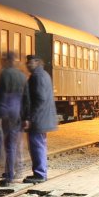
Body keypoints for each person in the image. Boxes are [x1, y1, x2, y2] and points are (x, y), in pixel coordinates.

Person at [0, 51, 30, 186]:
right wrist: (26, 117)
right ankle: (18, 170)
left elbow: (1, 95)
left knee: (9, 145)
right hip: (18, 112)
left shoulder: (4, 74)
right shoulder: (22, 75)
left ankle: (9, 175)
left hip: (7, 111)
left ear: (7, 61)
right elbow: (26, 98)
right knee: (17, 143)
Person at [25, 54, 58, 183]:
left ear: (38, 62)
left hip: (38, 119)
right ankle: (40, 172)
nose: (27, 65)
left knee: (37, 146)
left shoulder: (37, 77)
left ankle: (39, 174)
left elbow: (39, 99)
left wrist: (29, 117)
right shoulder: (44, 75)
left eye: (30, 62)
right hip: (42, 118)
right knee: (39, 145)